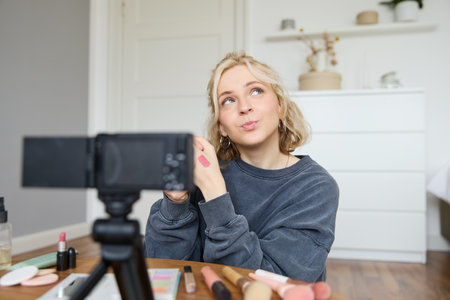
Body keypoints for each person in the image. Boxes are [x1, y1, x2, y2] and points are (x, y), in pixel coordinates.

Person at [144, 51, 339, 283]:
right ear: (221, 126)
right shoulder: (203, 172)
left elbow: (272, 283)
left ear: (281, 107)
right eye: (229, 100)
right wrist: (175, 203)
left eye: (256, 91)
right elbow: (166, 267)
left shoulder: (316, 187)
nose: (244, 107)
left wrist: (215, 193)